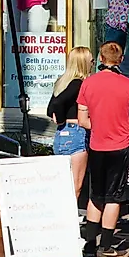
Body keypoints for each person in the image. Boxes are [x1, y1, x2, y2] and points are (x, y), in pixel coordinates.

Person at [78, 40, 129, 255]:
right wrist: (128, 128)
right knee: (115, 197)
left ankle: (90, 244)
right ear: (121, 60)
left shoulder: (88, 84)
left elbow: (82, 119)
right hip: (120, 147)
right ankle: (106, 246)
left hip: (97, 146)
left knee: (96, 194)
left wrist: (100, 125)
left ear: (101, 59)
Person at [46, 46, 93, 205]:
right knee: (75, 184)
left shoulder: (62, 82)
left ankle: (61, 215)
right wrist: (60, 118)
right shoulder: (78, 84)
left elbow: (50, 108)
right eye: (91, 60)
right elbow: (58, 104)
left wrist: (59, 119)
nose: (93, 63)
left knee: (63, 181)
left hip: (62, 134)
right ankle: (66, 220)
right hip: (76, 132)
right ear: (84, 63)